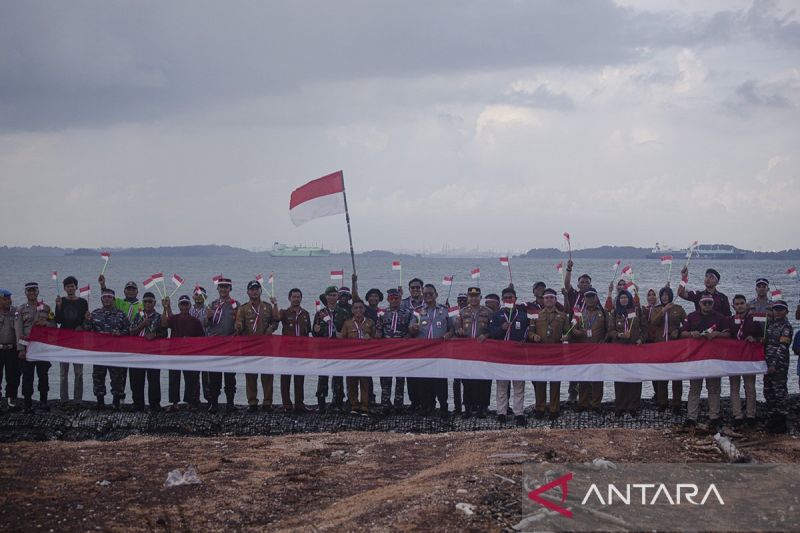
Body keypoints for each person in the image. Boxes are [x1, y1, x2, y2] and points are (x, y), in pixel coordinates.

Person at [679, 293, 731, 430]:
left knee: (714, 388)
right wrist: (691, 334)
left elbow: (729, 334)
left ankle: (714, 416)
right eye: (705, 303)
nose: (707, 305)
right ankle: (691, 417)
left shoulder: (720, 318)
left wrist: (717, 334)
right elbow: (682, 333)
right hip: (696, 359)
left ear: (713, 304)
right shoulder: (691, 317)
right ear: (700, 303)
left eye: (710, 303)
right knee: (695, 388)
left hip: (714, 359)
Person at [408, 283, 453, 417]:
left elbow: (452, 328)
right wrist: (413, 328)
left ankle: (444, 407)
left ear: (436, 295)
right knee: (424, 381)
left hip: (440, 352)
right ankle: (427, 406)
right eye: (425, 294)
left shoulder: (445, 310)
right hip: (423, 352)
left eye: (430, 294)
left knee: (440, 380)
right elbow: (410, 328)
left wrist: (449, 334)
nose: (428, 296)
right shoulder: (418, 310)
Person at [235, 280, 279, 413]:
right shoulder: (243, 309)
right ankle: (252, 402)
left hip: (266, 346)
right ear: (248, 292)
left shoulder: (267, 307)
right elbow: (238, 324)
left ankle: (267, 402)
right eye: (252, 289)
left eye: (257, 289)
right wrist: (238, 327)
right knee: (250, 376)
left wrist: (272, 328)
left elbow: (275, 321)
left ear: (260, 291)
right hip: (250, 347)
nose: (254, 291)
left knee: (267, 376)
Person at [84, 288, 130, 410]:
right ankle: (100, 402)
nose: (107, 299)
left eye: (110, 297)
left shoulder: (121, 314)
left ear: (113, 299)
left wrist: (120, 333)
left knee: (117, 378)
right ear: (101, 299)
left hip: (115, 353)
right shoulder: (94, 313)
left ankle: (116, 402)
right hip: (99, 352)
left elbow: (128, 331)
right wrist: (87, 320)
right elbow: (87, 330)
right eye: (105, 297)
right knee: (98, 377)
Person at [488, 287, 529, 425]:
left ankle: (519, 413)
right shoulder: (497, 315)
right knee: (502, 385)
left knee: (519, 385)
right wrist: (502, 328)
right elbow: (492, 333)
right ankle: (501, 413)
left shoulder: (522, 315)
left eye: (511, 297)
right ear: (502, 300)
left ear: (515, 299)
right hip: (502, 356)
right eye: (505, 297)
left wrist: (525, 339)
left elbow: (527, 332)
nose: (508, 299)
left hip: (518, 356)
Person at [527, 288, 569, 420]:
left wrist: (566, 337)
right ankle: (540, 408)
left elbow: (569, 333)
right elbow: (529, 332)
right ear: (543, 300)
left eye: (552, 297)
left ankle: (554, 409)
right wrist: (534, 337)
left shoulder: (562, 316)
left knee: (555, 382)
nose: (549, 300)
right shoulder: (536, 315)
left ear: (556, 300)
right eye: (547, 298)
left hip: (556, 353)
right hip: (541, 354)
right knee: (540, 382)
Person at [14, 282, 55, 412]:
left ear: (38, 292)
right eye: (29, 291)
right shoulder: (20, 310)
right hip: (28, 348)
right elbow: (18, 330)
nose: (31, 293)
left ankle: (43, 402)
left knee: (43, 376)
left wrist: (46, 323)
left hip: (42, 348)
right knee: (27, 377)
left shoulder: (46, 308)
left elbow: (54, 326)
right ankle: (27, 404)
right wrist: (20, 349)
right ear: (25, 293)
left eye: (34, 291)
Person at [161, 295, 205, 411]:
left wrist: (190, 341)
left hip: (190, 355)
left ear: (190, 305)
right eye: (182, 304)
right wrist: (165, 308)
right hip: (174, 354)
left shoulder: (195, 321)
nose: (184, 306)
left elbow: (201, 338)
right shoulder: (174, 318)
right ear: (179, 306)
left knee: (191, 379)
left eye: (186, 304)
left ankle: (190, 402)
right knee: (174, 378)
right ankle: (174, 403)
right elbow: (164, 324)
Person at [455, 287, 492, 418]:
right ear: (467, 297)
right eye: (471, 296)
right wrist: (459, 332)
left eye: (476, 296)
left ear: (480, 297)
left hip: (483, 352)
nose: (474, 298)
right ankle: (468, 408)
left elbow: (493, 331)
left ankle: (482, 408)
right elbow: (456, 329)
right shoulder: (462, 312)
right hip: (467, 353)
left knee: (483, 380)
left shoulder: (488, 312)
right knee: (467, 381)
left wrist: (486, 335)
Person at [313, 285, 350, 413]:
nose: (332, 297)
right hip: (324, 349)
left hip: (338, 350)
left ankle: (338, 403)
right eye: (330, 295)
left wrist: (342, 335)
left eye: (335, 295)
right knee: (322, 377)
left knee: (338, 376)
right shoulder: (320, 313)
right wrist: (315, 331)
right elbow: (315, 333)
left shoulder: (344, 313)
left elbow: (347, 331)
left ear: (337, 297)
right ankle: (321, 404)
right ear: (326, 297)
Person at [650, 286, 686, 414]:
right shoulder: (657, 309)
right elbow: (653, 323)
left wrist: (679, 331)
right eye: (662, 295)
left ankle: (676, 403)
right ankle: (663, 402)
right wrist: (663, 311)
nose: (665, 297)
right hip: (660, 346)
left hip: (674, 347)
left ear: (671, 295)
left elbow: (687, 325)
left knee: (676, 377)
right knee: (661, 376)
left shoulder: (678, 309)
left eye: (667, 295)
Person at [570, 288, 607, 413]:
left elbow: (609, 328)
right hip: (584, 348)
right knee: (583, 376)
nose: (590, 299)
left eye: (592, 297)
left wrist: (605, 340)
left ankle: (596, 404)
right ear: (584, 299)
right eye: (588, 297)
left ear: (596, 298)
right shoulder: (579, 313)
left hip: (598, 349)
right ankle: (583, 403)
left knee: (598, 377)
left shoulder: (603, 312)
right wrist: (578, 332)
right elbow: (573, 330)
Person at [607, 290, 643, 417]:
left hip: (634, 349)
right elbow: (610, 331)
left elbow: (644, 328)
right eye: (621, 297)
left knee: (635, 378)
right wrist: (620, 334)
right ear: (618, 300)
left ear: (629, 299)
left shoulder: (636, 311)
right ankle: (620, 406)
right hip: (620, 350)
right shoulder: (615, 313)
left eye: (625, 297)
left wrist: (641, 339)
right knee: (620, 378)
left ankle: (633, 406)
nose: (623, 300)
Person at [727, 294, 761, 428]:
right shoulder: (729, 321)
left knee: (750, 387)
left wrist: (755, 339)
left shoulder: (753, 320)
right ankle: (737, 415)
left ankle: (751, 414)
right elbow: (726, 336)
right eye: (737, 304)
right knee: (734, 387)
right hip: (734, 359)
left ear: (746, 304)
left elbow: (761, 337)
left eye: (742, 303)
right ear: (733, 306)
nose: (740, 306)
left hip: (748, 359)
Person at [206, 278, 239, 412]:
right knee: (214, 377)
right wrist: (207, 317)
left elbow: (239, 324)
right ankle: (214, 404)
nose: (224, 289)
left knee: (230, 377)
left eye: (226, 287)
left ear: (230, 289)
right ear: (218, 289)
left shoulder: (235, 304)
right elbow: (205, 325)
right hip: (215, 346)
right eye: (221, 287)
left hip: (230, 345)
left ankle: (230, 403)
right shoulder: (212, 304)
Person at [376, 288, 410, 415]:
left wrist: (407, 337)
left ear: (400, 299)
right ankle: (385, 404)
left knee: (400, 379)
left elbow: (409, 331)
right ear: (388, 300)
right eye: (392, 298)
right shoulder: (382, 314)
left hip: (401, 351)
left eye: (397, 298)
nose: (394, 301)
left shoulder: (407, 313)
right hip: (387, 351)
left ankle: (399, 404)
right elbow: (379, 329)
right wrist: (377, 334)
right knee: (385, 379)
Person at [55, 275, 88, 405]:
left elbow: (86, 321)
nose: (70, 288)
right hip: (63, 339)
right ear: (64, 288)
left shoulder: (83, 302)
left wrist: (83, 325)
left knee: (78, 372)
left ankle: (78, 399)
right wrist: (58, 306)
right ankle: (64, 399)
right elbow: (57, 320)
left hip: (78, 340)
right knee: (63, 372)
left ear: (76, 287)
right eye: (68, 286)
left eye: (72, 286)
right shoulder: (61, 300)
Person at [278, 288, 312, 413]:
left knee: (299, 378)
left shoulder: (306, 314)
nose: (296, 299)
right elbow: (275, 319)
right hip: (287, 351)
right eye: (294, 297)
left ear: (301, 298)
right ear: (289, 298)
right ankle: (286, 404)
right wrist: (275, 304)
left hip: (301, 351)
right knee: (285, 378)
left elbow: (308, 330)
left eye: (298, 297)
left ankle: (299, 403)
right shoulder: (285, 312)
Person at [762, 300, 793, 434]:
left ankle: (781, 421)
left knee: (779, 392)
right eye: (776, 309)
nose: (778, 312)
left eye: (781, 309)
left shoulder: (786, 327)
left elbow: (783, 348)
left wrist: (775, 364)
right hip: (767, 364)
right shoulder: (770, 325)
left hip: (779, 365)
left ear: (786, 311)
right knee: (768, 391)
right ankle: (772, 418)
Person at [341, 300, 376, 415]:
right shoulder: (347, 323)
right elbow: (342, 340)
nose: (358, 310)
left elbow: (377, 339)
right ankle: (354, 405)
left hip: (366, 357)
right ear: (352, 310)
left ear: (364, 309)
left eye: (361, 308)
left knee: (365, 382)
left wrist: (370, 337)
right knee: (352, 382)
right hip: (352, 358)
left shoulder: (370, 322)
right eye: (355, 308)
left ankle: (365, 406)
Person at [401, 278, 425, 412]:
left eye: (417, 287)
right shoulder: (403, 304)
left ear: (421, 288)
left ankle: (425, 402)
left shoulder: (427, 302)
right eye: (413, 288)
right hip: (408, 344)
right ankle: (414, 401)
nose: (415, 290)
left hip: (423, 343)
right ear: (409, 289)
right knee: (410, 374)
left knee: (424, 374)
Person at [0, 288, 20, 410]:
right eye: (5, 299)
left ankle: (11, 398)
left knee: (12, 375)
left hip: (12, 348)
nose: (8, 301)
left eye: (9, 299)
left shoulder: (16, 312)